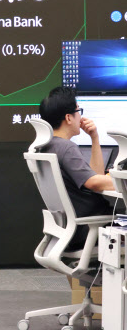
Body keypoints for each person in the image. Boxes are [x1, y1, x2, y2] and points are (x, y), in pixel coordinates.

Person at [39, 86, 116, 250]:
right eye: (78, 111)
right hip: (91, 226)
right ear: (68, 118)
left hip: (69, 230)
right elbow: (94, 183)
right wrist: (119, 179)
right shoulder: (66, 148)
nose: (81, 116)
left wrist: (94, 137)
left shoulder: (48, 146)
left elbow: (95, 176)